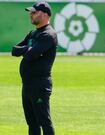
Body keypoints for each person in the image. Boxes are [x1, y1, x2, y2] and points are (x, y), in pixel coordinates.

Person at [11, 1, 57, 135]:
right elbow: (14, 50)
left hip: (40, 84)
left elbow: (31, 55)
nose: (31, 14)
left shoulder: (48, 35)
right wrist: (29, 49)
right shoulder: (33, 33)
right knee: (32, 122)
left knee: (44, 121)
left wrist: (28, 50)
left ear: (44, 14)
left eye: (34, 12)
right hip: (27, 85)